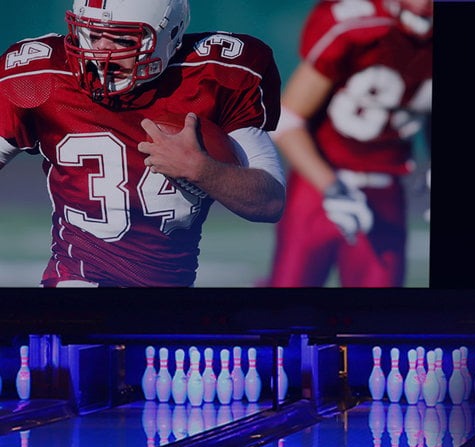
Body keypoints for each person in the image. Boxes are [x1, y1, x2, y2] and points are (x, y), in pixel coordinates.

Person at [0, 0, 284, 287]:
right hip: (76, 282)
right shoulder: (38, 77)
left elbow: (269, 202)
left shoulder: (217, 76)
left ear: (170, 36)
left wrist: (201, 170)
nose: (100, 52)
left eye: (123, 39)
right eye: (92, 34)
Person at [269, 0, 432, 287]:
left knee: (379, 310)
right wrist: (331, 187)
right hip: (318, 186)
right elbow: (287, 118)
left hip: (386, 191)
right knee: (287, 299)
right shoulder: (356, 24)